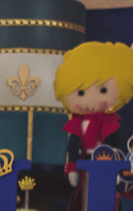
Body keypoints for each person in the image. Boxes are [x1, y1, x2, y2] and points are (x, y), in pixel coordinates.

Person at [54, 41, 133, 186]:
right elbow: (73, 148)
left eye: (103, 90)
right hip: (83, 168)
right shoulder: (77, 125)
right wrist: (72, 168)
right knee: (83, 195)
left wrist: (119, 170)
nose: (89, 101)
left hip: (106, 168)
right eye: (81, 93)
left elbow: (120, 147)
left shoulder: (112, 125)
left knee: (103, 194)